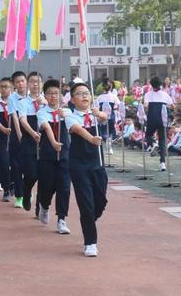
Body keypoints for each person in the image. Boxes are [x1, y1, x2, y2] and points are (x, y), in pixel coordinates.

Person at [64, 82, 108, 257]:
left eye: (87, 93)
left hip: (97, 163)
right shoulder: (70, 115)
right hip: (79, 165)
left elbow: (105, 116)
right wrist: (92, 139)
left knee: (100, 201)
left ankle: (89, 219)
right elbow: (78, 130)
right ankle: (90, 242)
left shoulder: (95, 114)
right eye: (80, 94)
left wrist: (100, 115)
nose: (84, 96)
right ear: (73, 99)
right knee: (86, 204)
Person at [36, 79, 71, 234]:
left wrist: (66, 116)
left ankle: (61, 219)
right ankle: (44, 205)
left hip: (65, 155)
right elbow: (46, 128)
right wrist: (54, 143)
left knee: (64, 187)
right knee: (47, 186)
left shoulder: (68, 112)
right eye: (49, 93)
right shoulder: (42, 112)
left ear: (61, 95)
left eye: (56, 93)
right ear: (45, 95)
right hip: (47, 154)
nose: (53, 96)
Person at [18, 72, 44, 215]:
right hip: (29, 141)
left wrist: (43, 105)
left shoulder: (46, 101)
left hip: (45, 142)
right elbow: (23, 120)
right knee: (31, 175)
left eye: (38, 82)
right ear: (28, 84)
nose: (35, 84)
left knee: (43, 177)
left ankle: (39, 208)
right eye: (33, 81)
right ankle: (26, 191)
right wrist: (33, 133)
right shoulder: (23, 103)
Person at [144, 76, 174, 172]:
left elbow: (145, 106)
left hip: (152, 118)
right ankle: (162, 163)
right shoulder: (165, 94)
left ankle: (153, 143)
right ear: (160, 84)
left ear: (151, 85)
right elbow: (172, 106)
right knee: (162, 140)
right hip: (163, 119)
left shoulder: (148, 94)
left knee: (148, 135)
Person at [9, 71, 28, 209]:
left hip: (33, 134)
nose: (20, 84)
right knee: (16, 166)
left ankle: (28, 191)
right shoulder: (12, 98)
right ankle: (19, 196)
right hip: (18, 134)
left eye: (22, 80)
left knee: (30, 167)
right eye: (17, 82)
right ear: (14, 84)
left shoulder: (35, 96)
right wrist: (20, 132)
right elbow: (15, 116)